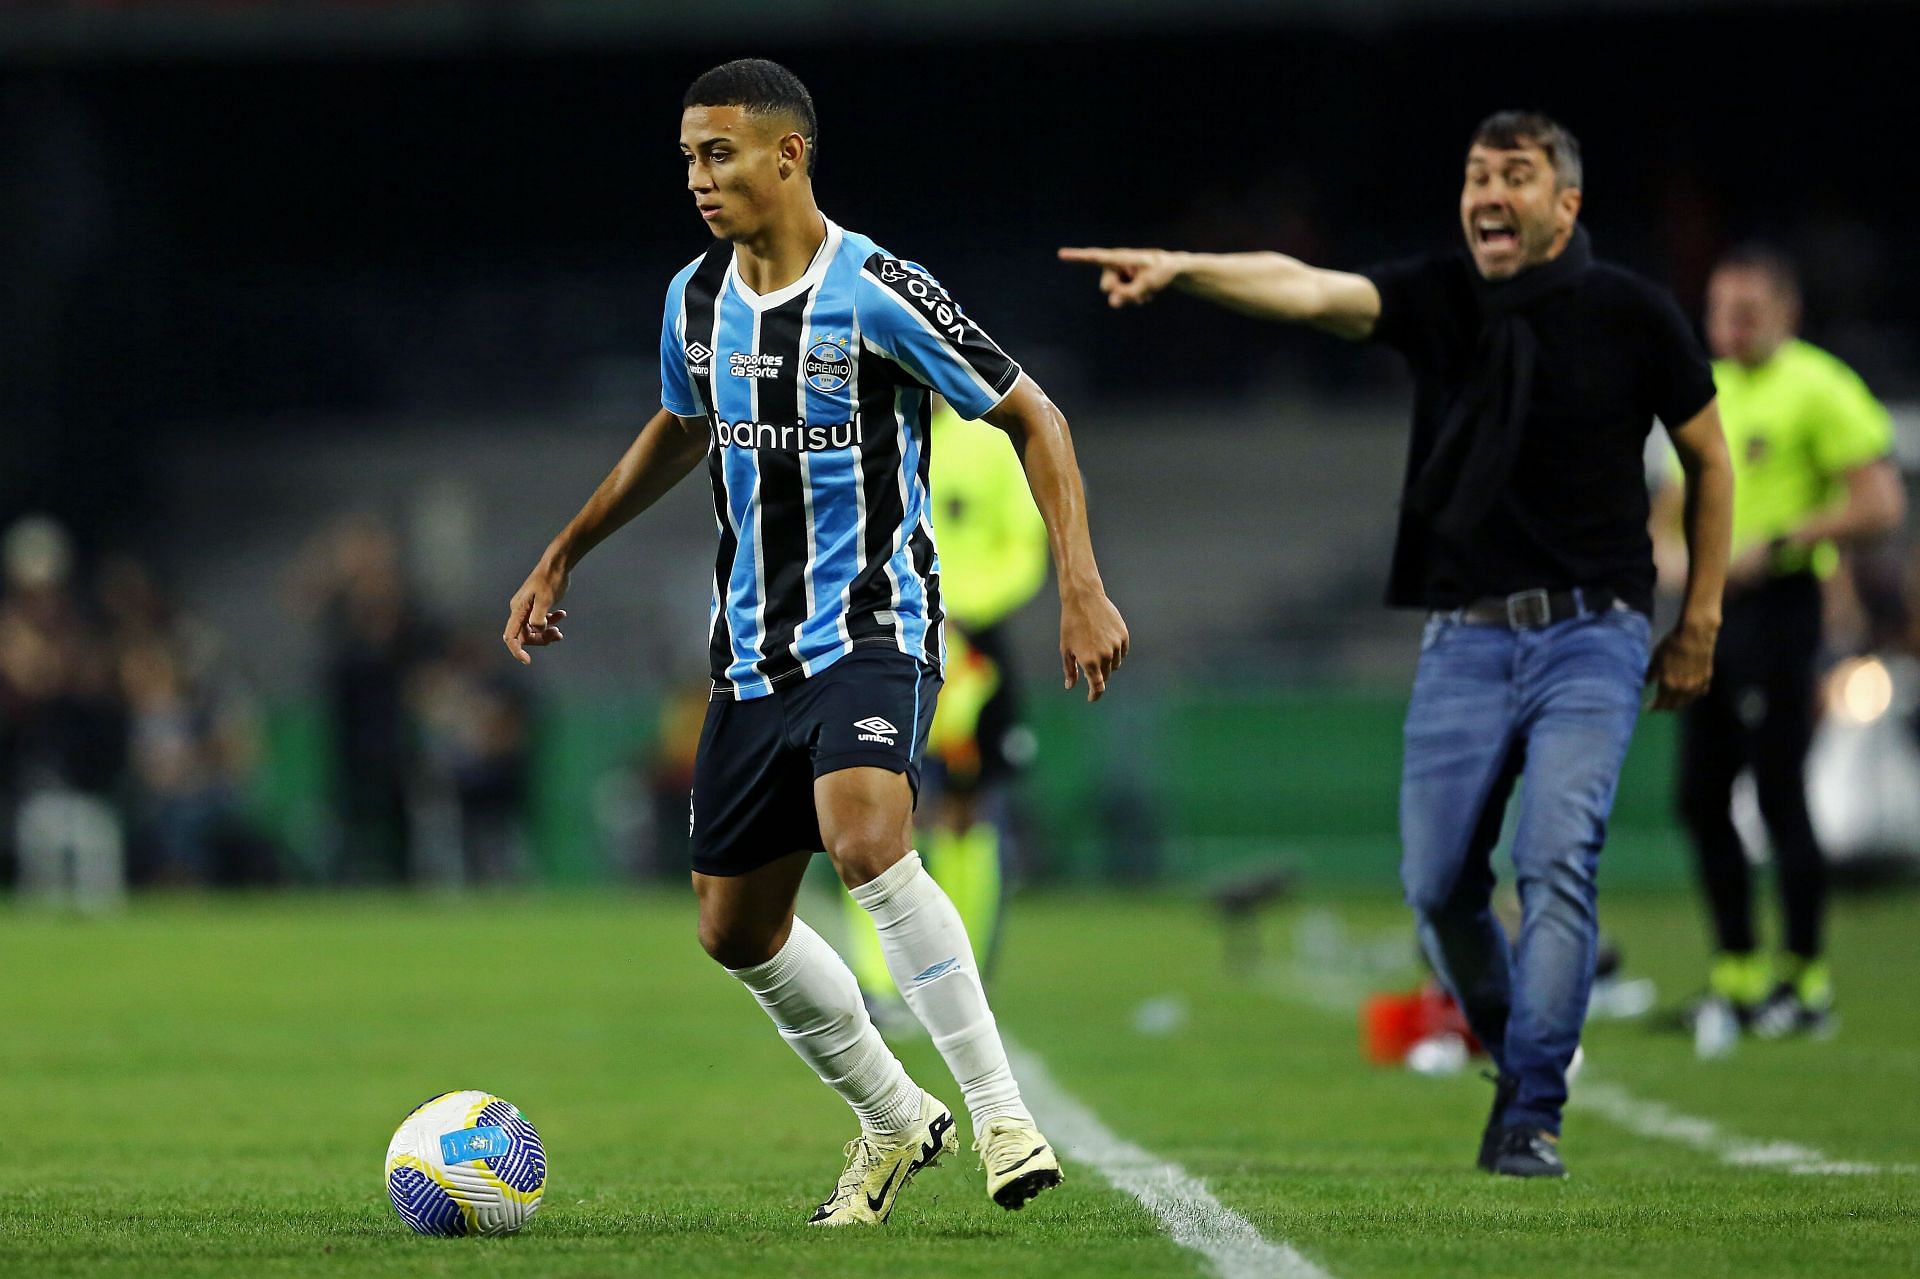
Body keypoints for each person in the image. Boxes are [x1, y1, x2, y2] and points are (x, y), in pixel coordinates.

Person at [503, 59, 1128, 1224]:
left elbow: (1034, 414)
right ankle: (895, 1117)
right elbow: (681, 429)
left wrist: (1079, 587)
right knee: (732, 927)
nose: (698, 178)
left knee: (866, 835)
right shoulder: (694, 299)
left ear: (789, 157)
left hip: (876, 627)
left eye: (719, 153)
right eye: (689, 157)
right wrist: (564, 549)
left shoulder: (881, 288)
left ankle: (1000, 1114)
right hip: (748, 655)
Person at [1062, 110, 1733, 1178]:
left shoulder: (1633, 314)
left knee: (1558, 860)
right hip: (1464, 640)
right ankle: (1522, 1054)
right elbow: (1310, 288)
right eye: (1475, 174)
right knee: (1434, 889)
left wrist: (1696, 621)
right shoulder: (1441, 297)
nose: (1487, 193)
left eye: (1515, 174)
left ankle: (1532, 1106)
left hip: (1592, 638)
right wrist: (1188, 269)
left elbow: (1709, 457)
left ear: (1566, 203)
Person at [1650, 246, 1903, 1045]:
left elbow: (1882, 503)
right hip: (1710, 609)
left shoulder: (1820, 388)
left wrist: (1789, 536)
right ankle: (1738, 972)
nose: (1731, 322)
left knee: (1778, 791)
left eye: (1748, 309)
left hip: (1782, 605)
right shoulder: (1702, 389)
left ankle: (1805, 978)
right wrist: (1672, 560)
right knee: (1699, 795)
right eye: (1721, 307)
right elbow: (1666, 513)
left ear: (1786, 313)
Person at [841, 400, 1050, 1024]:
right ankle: (882, 980)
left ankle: (962, 971)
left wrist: (963, 605)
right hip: (885, 639)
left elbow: (1024, 545)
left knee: (967, 811)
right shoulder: (857, 431)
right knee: (874, 811)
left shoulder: (988, 442)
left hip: (972, 649)